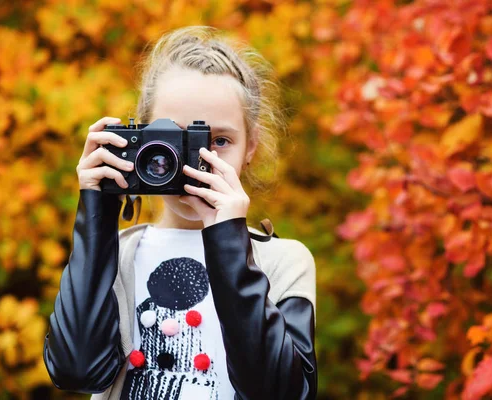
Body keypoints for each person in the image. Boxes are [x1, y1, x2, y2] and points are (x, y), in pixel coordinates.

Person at [42, 26, 317, 400]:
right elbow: (77, 370)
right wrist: (97, 212)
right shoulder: (114, 255)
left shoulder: (283, 262)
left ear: (251, 146)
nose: (193, 162)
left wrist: (228, 241)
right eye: (173, 139)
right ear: (136, 141)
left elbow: (281, 393)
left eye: (218, 141)